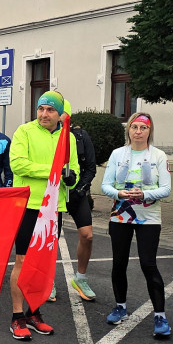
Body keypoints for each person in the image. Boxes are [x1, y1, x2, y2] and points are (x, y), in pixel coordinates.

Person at [6, 90, 79, 340]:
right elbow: (18, 164)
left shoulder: (67, 136)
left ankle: (34, 313)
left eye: (50, 110)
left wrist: (71, 178)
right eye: (41, 109)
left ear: (60, 114)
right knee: (23, 262)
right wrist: (55, 170)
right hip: (28, 206)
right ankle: (17, 317)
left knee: (42, 265)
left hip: (53, 209)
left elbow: (74, 169)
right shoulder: (24, 131)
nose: (44, 114)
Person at [101, 111, 173, 337]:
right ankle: (120, 306)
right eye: (135, 127)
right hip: (120, 216)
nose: (138, 132)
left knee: (148, 264)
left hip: (148, 218)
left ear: (150, 131)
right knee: (119, 263)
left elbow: (166, 188)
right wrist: (120, 192)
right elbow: (105, 185)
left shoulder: (159, 156)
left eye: (144, 128)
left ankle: (160, 316)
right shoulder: (117, 154)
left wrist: (144, 194)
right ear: (128, 130)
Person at [65, 124, 98, 302]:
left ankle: (80, 278)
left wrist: (79, 189)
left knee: (87, 236)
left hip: (77, 192)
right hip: (55, 192)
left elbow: (91, 168)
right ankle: (48, 282)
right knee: (50, 239)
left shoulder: (80, 136)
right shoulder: (46, 136)